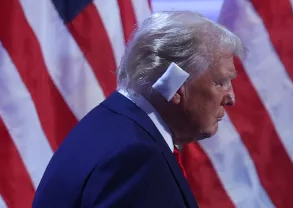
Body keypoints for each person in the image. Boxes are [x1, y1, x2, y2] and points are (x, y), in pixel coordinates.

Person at [32, 11, 245, 207]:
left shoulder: (109, 125)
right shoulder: (136, 158)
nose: (231, 98)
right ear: (178, 85)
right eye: (221, 82)